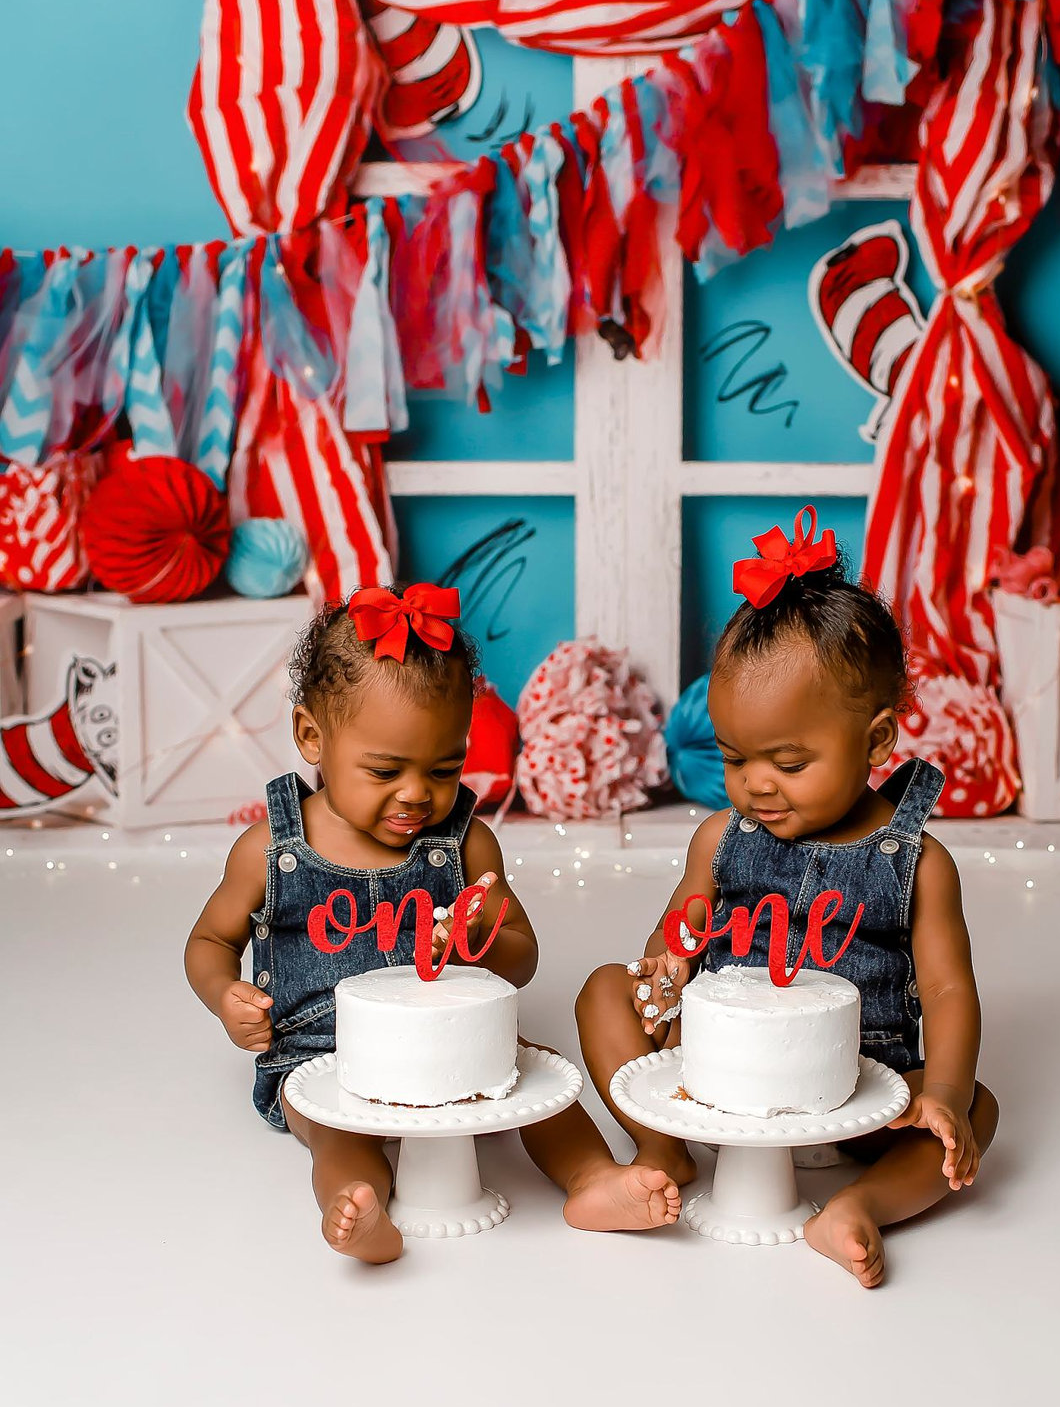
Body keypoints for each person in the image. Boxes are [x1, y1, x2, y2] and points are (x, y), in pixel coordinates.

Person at [185, 583, 680, 1264]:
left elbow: (522, 953)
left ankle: (590, 1179)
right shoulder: (273, 849)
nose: (418, 793)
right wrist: (224, 994)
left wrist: (476, 942)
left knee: (543, 1077)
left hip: (454, 1046)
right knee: (336, 1133)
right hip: (324, 1056)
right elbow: (211, 941)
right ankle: (357, 1207)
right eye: (386, 770)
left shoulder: (463, 845)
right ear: (312, 737)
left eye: (444, 767)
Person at [574, 511, 998, 1287]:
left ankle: (857, 1206)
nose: (757, 784)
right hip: (718, 1075)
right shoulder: (720, 838)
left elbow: (945, 987)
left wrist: (942, 1094)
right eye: (736, 758)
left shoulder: (917, 862)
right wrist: (667, 968)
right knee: (602, 989)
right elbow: (675, 933)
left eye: (790, 761)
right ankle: (663, 1155)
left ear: (875, 743)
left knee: (979, 1108)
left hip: (859, 1088)